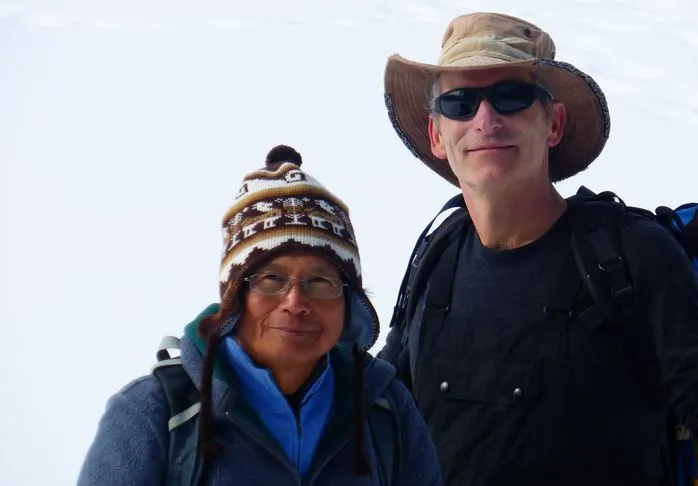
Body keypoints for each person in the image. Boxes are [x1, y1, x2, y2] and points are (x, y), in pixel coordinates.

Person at [378, 11, 698, 486]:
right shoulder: (437, 253)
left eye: (511, 97)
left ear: (553, 123)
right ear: (437, 135)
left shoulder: (628, 254)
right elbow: (378, 409)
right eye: (459, 103)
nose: (485, 120)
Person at [78, 145, 442, 486]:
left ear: (349, 302)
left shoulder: (387, 410)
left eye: (320, 281)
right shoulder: (153, 413)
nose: (295, 302)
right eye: (272, 279)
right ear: (234, 297)